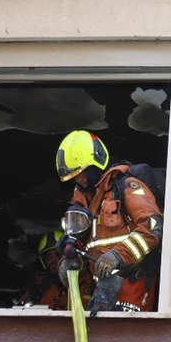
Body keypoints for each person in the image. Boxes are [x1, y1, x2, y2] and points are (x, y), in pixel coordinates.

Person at [54, 130, 163, 312]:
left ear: (96, 162)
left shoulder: (126, 187)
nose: (79, 180)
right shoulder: (82, 204)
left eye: (82, 172)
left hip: (133, 283)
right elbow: (89, 249)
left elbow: (152, 228)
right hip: (102, 289)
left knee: (126, 338)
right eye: (74, 176)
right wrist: (72, 265)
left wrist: (116, 256)